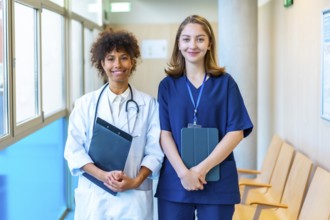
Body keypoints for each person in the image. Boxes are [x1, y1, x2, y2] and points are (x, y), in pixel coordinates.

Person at [155, 15, 253, 220]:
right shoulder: (167, 86)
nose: (193, 45)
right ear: (178, 44)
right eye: (186, 39)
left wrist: (200, 170)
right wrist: (184, 173)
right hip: (176, 180)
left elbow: (236, 132)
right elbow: (165, 134)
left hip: (217, 181)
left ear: (209, 44)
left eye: (200, 39)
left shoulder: (226, 83)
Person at [64, 28, 164, 220]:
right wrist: (103, 176)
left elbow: (155, 152)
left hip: (133, 199)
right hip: (95, 197)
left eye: (124, 57)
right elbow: (74, 151)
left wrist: (135, 181)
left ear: (132, 61)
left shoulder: (149, 105)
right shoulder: (85, 104)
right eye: (110, 58)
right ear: (102, 63)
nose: (117, 64)